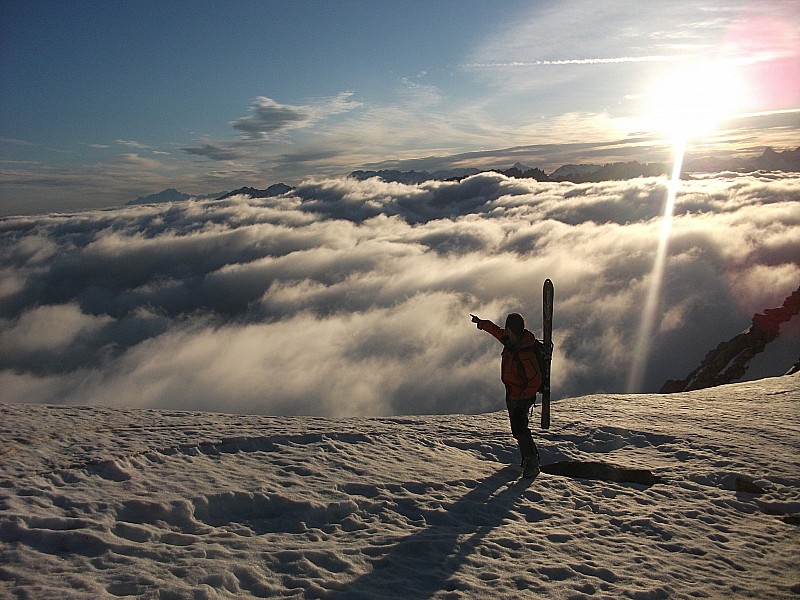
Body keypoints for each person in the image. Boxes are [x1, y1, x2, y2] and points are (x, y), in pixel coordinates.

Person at [471, 312, 542, 478]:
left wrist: (524, 396)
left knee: (520, 427)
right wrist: (480, 323)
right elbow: (495, 330)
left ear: (511, 329)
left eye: (507, 328)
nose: (505, 330)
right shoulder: (510, 340)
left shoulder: (525, 352)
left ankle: (532, 462)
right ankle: (530, 458)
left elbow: (535, 379)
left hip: (521, 397)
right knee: (517, 429)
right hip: (512, 394)